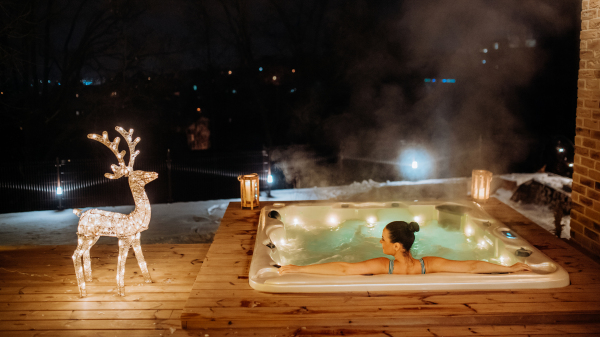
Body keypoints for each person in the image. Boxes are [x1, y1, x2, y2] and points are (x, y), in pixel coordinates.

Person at [278, 220, 531, 276]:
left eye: (383, 239)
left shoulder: (383, 265)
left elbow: (344, 268)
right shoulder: (427, 264)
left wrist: (299, 268)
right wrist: (508, 268)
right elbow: (472, 265)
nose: (380, 243)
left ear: (397, 246)